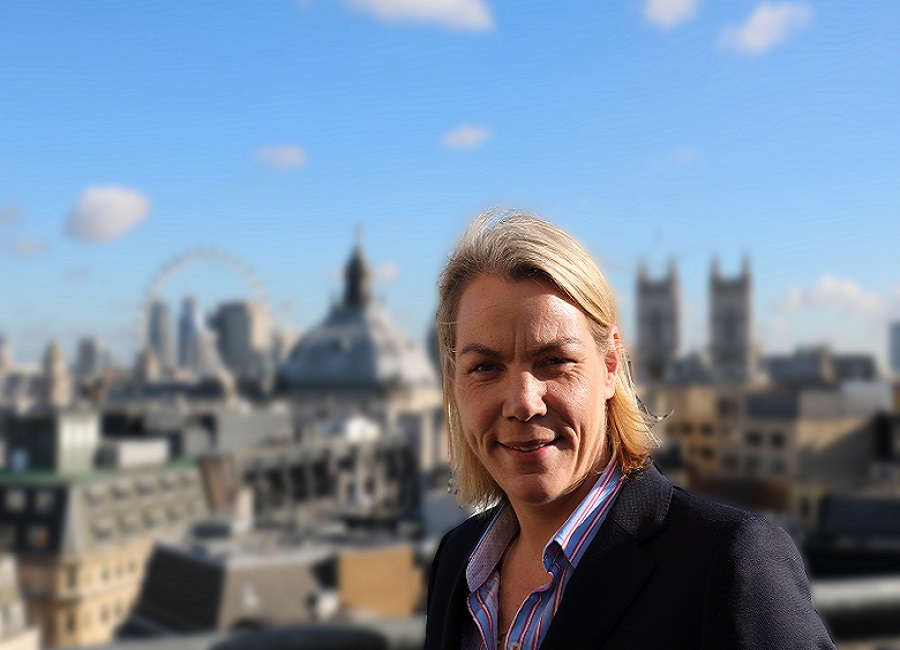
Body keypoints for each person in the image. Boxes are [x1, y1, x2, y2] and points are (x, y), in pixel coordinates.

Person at [424, 210, 835, 649]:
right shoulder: (458, 560)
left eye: (554, 361)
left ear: (609, 366)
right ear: (453, 382)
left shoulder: (729, 562)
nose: (523, 402)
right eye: (485, 367)